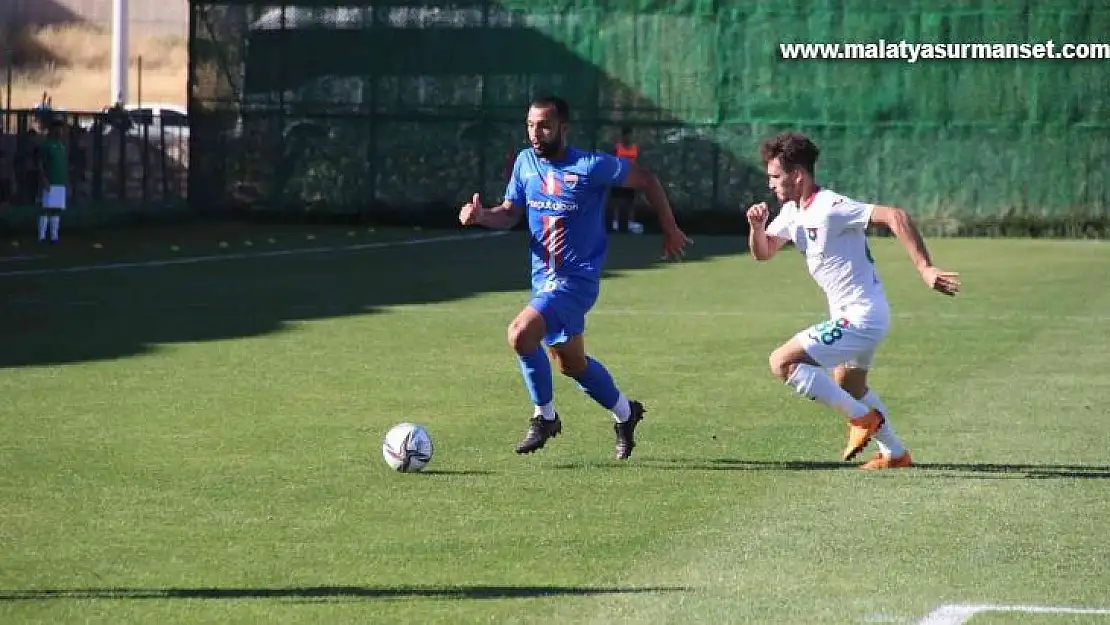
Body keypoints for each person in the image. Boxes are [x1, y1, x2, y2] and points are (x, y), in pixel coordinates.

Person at [459, 95, 692, 459]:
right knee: (572, 365)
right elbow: (508, 214)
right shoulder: (524, 163)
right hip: (543, 282)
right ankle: (626, 414)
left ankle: (545, 417)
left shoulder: (591, 166)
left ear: (563, 128)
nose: (536, 133)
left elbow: (646, 179)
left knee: (520, 333)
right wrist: (480, 217)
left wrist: (670, 229)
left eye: (545, 125)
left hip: (576, 282)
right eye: (531, 126)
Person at [746, 131, 960, 470]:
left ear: (797, 175)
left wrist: (924, 267)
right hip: (862, 314)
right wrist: (757, 228)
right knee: (850, 385)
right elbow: (764, 253)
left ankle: (862, 420)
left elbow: (895, 216)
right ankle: (895, 453)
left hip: (861, 318)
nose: (770, 183)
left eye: (775, 176)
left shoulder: (830, 206)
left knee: (782, 363)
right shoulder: (790, 212)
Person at [38, 120, 68, 244]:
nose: (60, 131)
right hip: (50, 180)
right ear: (52, 130)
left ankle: (54, 236)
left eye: (61, 129)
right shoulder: (46, 145)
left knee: (57, 209)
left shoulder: (62, 145)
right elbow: (40, 163)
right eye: (57, 128)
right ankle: (42, 236)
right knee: (46, 208)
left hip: (60, 182)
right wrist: (44, 178)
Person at [609, 126, 643, 234]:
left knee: (629, 203)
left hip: (631, 180)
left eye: (630, 135)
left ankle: (629, 222)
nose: (628, 138)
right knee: (617, 201)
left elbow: (638, 163)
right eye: (626, 135)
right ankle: (615, 222)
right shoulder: (617, 148)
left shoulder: (636, 149)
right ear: (623, 136)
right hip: (619, 180)